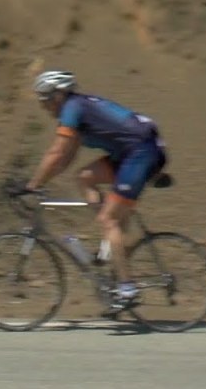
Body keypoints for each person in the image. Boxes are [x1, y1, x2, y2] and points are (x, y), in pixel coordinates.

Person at [17, 70, 168, 314]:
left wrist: (32, 186)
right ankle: (110, 246)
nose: (43, 106)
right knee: (84, 178)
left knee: (109, 219)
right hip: (134, 152)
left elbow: (55, 153)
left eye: (44, 98)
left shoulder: (73, 109)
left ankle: (128, 288)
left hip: (141, 153)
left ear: (57, 95)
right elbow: (65, 159)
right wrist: (42, 182)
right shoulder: (77, 110)